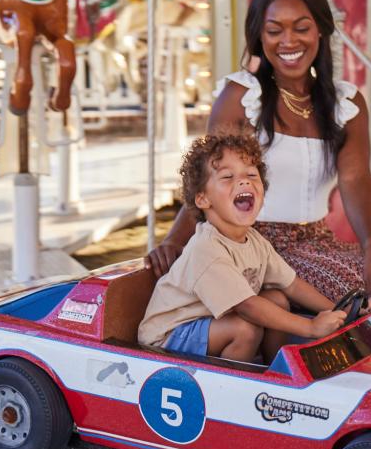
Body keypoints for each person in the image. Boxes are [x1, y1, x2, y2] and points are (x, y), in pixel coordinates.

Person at [147, 0, 371, 327]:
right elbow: (208, 180)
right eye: (275, 31)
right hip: (253, 242)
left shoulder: (346, 102)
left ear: (320, 29)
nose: (288, 41)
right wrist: (173, 240)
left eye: (301, 28)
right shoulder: (242, 97)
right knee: (359, 296)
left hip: (317, 241)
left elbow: (355, 178)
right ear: (260, 36)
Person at [137, 134, 346, 362]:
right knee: (245, 328)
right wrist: (311, 327)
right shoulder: (206, 248)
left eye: (251, 174)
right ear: (203, 200)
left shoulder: (254, 240)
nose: (244, 181)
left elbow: (292, 285)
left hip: (208, 323)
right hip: (167, 338)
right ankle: (237, 385)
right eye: (227, 176)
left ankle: (273, 368)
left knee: (277, 299)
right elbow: (247, 307)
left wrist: (338, 311)